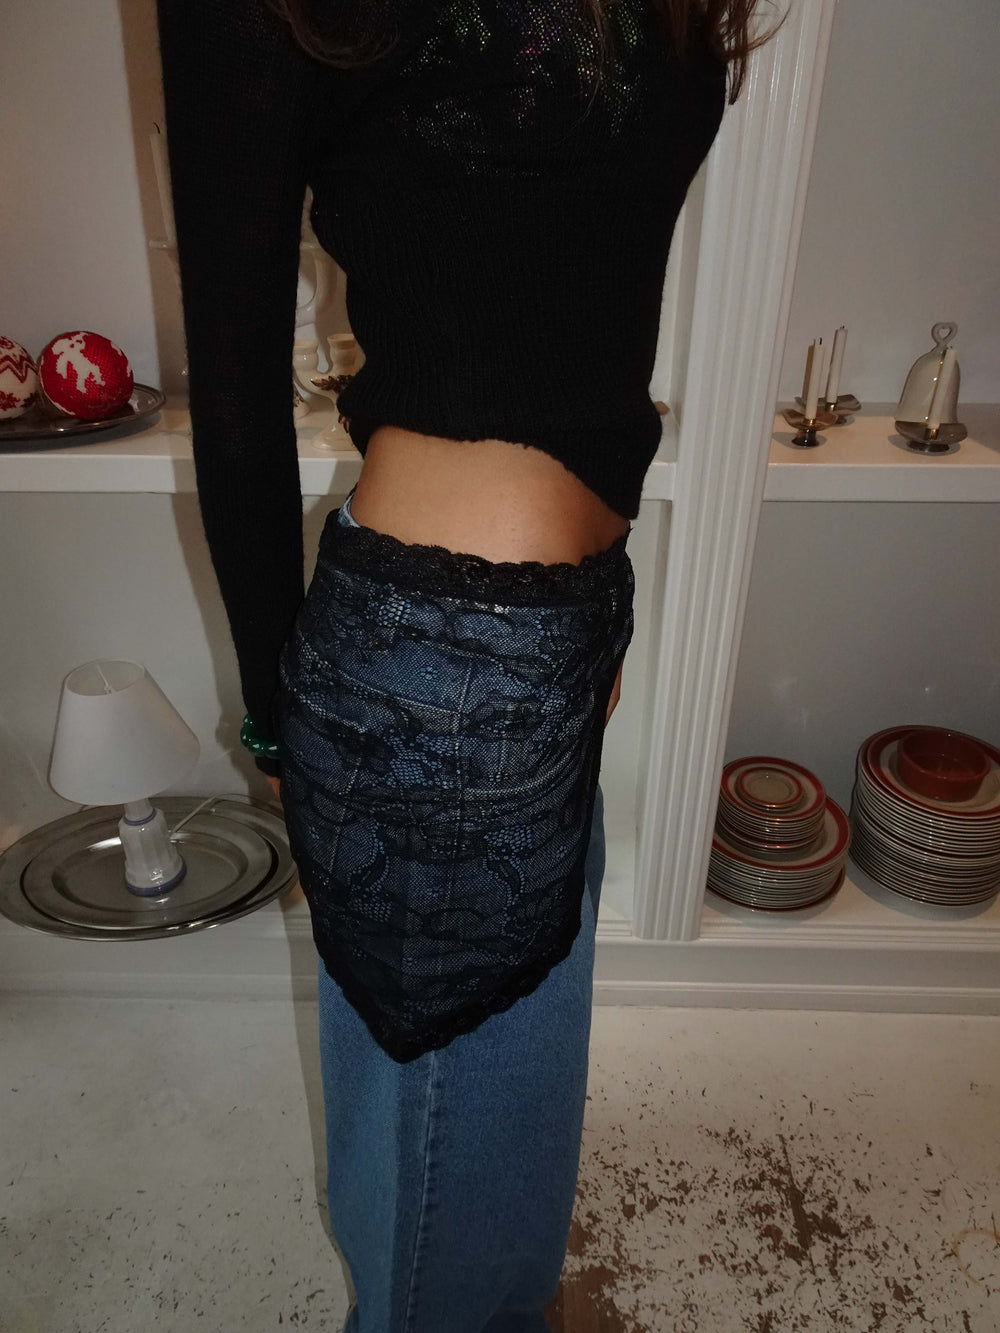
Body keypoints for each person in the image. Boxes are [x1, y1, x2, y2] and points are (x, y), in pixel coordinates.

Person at [157, 1, 769, 1327]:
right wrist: (277, 716)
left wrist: (587, 618)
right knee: (456, 1238)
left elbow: (593, 294)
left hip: (553, 634)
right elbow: (236, 393)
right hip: (429, 676)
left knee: (478, 1178)